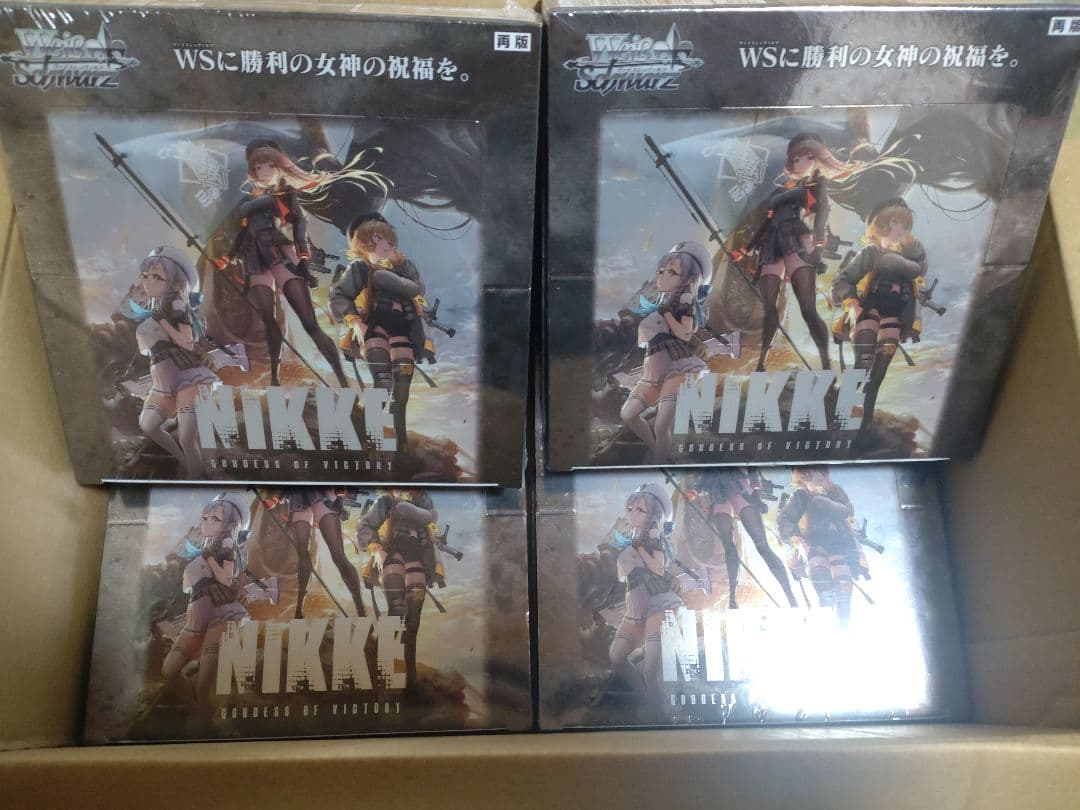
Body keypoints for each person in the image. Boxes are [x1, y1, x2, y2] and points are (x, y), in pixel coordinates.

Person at [218, 138, 384, 388]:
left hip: (280, 253)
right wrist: (226, 258)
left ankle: (342, 381)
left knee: (310, 324)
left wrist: (303, 258)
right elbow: (240, 234)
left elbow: (299, 228)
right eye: (258, 168)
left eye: (269, 166)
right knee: (269, 322)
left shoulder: (284, 196)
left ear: (279, 166)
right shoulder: (244, 202)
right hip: (253, 258)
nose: (263, 172)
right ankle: (275, 379)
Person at [330, 213, 435, 455]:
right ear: (365, 242)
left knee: (402, 393)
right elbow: (338, 295)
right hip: (376, 329)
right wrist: (355, 321)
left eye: (388, 237)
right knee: (383, 383)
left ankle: (401, 447)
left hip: (403, 332)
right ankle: (367, 441)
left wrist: (403, 265)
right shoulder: (361, 267)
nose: (387, 242)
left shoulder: (401, 270)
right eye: (379, 238)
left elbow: (418, 290)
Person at [831, 197, 928, 432]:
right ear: (882, 224)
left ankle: (865, 426)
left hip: (894, 315)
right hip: (869, 310)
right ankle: (836, 416)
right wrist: (851, 304)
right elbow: (843, 278)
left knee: (878, 374)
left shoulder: (911, 260)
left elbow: (918, 276)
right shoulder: (871, 252)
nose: (900, 228)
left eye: (904, 224)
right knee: (863, 364)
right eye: (895, 222)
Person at [619, 242, 713, 463]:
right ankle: (660, 453)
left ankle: (659, 462)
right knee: (628, 414)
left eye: (671, 272)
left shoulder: (685, 301)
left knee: (662, 426)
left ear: (689, 278)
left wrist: (668, 315)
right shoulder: (661, 301)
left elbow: (685, 334)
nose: (662, 276)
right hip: (653, 367)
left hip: (677, 367)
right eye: (661, 271)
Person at [160, 493, 251, 713]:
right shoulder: (203, 547)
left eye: (215, 519)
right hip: (195, 616)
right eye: (206, 517)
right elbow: (182, 567)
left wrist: (209, 558)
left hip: (219, 614)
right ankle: (195, 708)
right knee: (168, 671)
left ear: (230, 524)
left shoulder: (226, 544)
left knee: (204, 685)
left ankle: (203, 716)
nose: (207, 522)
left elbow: (227, 578)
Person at [133, 246, 219, 477]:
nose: (147, 281)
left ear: (175, 281)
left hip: (188, 376)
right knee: (148, 424)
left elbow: (188, 343)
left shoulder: (177, 306)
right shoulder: (155, 307)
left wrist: (162, 323)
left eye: (156, 276)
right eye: (145, 275)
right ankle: (185, 461)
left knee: (187, 437)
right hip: (163, 381)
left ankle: (195, 479)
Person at [607, 483, 683, 721]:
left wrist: (638, 549)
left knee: (651, 670)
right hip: (635, 605)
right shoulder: (627, 537)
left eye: (639, 510)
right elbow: (622, 575)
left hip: (658, 603)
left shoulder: (653, 537)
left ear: (653, 514)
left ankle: (657, 713)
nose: (632, 514)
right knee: (616, 657)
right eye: (630, 509)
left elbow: (658, 568)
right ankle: (645, 699)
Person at [357, 489, 442, 692]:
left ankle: (410, 682)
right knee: (396, 611)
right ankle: (378, 676)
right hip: (392, 553)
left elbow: (431, 528)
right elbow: (365, 525)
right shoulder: (387, 500)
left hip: (418, 558)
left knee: (413, 622)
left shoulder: (424, 503)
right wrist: (376, 548)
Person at [691, 468, 798, 609]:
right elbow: (705, 473)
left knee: (762, 546)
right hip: (719, 491)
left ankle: (790, 596)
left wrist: (755, 488)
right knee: (730, 546)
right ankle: (732, 598)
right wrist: (695, 491)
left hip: (738, 486)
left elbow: (750, 465)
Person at [777, 468, 865, 626]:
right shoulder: (801, 495)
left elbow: (848, 511)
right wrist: (798, 541)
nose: (821, 476)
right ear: (805, 476)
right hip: (813, 543)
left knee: (843, 589)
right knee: (824, 588)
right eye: (815, 472)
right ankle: (827, 623)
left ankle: (844, 625)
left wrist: (830, 489)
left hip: (840, 542)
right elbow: (785, 521)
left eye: (823, 472)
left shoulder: (835, 492)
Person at [280, 489, 366, 619]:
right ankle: (299, 609)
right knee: (302, 553)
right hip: (299, 498)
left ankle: (361, 612)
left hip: (321, 493)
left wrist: (340, 494)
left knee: (338, 555)